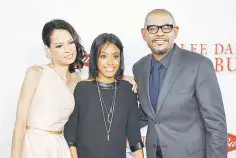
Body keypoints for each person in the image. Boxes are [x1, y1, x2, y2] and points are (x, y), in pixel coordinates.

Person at [132, 9, 227, 158]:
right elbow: (147, 115)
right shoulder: (139, 68)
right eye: (152, 28)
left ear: (175, 32)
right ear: (144, 34)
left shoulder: (199, 65)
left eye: (166, 27)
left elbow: (216, 124)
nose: (159, 33)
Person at [11, 19, 86, 158]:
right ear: (48, 49)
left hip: (60, 147)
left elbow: (102, 79)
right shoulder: (36, 73)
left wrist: (124, 77)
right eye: (59, 46)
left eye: (71, 43)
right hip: (34, 145)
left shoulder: (77, 79)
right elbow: (19, 124)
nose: (68, 49)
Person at [64, 33, 144, 158]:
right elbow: (70, 136)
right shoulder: (82, 89)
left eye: (115, 56)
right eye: (103, 56)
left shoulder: (128, 89)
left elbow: (134, 136)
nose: (110, 62)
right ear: (95, 58)